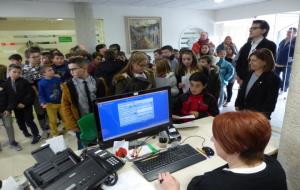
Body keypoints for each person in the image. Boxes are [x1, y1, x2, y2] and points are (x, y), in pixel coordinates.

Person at [159, 111, 287, 190]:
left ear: (233, 146)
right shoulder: (274, 165)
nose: (212, 140)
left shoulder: (208, 185)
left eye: (216, 137)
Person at [61, 57, 106, 149]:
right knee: (83, 145)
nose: (71, 72)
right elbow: (65, 106)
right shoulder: (68, 85)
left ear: (84, 68)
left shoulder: (98, 82)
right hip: (80, 122)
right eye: (70, 70)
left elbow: (104, 101)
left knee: (99, 142)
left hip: (97, 120)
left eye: (74, 69)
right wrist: (72, 124)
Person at [235, 48, 280, 119]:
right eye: (250, 60)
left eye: (254, 60)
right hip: (242, 112)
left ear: (265, 62)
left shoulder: (273, 79)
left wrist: (263, 117)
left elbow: (270, 102)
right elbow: (242, 90)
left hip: (257, 117)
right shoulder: (249, 73)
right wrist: (237, 104)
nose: (250, 63)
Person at [6, 64, 41, 144]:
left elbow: (30, 94)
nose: (17, 74)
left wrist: (24, 103)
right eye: (14, 72)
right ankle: (25, 131)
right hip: (15, 107)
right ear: (9, 72)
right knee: (20, 121)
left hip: (26, 106)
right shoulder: (6, 83)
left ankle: (36, 135)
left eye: (19, 72)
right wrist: (14, 105)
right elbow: (8, 96)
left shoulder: (24, 82)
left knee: (29, 120)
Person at [236, 20, 276, 84]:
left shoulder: (270, 45)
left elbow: (269, 64)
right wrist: (239, 76)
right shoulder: (247, 45)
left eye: (254, 28)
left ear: (263, 31)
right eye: (251, 28)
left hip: (260, 80)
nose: (251, 30)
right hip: (244, 79)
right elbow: (240, 61)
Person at [23, 46, 49, 138]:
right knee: (40, 111)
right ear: (28, 58)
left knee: (49, 110)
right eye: (33, 57)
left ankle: (51, 126)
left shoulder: (44, 66)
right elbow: (31, 83)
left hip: (47, 91)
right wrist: (39, 95)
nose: (37, 58)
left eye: (38, 56)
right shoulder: (25, 68)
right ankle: (44, 129)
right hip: (35, 94)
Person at [38, 65, 66, 137]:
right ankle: (54, 133)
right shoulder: (41, 83)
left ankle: (67, 128)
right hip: (50, 104)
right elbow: (41, 94)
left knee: (65, 116)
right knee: (53, 120)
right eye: (49, 70)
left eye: (52, 69)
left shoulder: (57, 79)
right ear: (44, 73)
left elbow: (62, 88)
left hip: (61, 102)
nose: (52, 71)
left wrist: (63, 88)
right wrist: (43, 102)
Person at [0, 78, 22, 151]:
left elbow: (11, 97)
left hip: (5, 110)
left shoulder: (5, 83)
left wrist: (9, 109)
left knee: (9, 125)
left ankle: (12, 142)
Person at [275, 27, 297, 92]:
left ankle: (283, 88)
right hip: (278, 62)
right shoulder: (283, 40)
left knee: (285, 78)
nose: (288, 33)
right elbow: (278, 50)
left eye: (290, 32)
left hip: (287, 64)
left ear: (294, 33)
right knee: (275, 76)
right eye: (288, 31)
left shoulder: (295, 42)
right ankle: (277, 86)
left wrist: (292, 60)